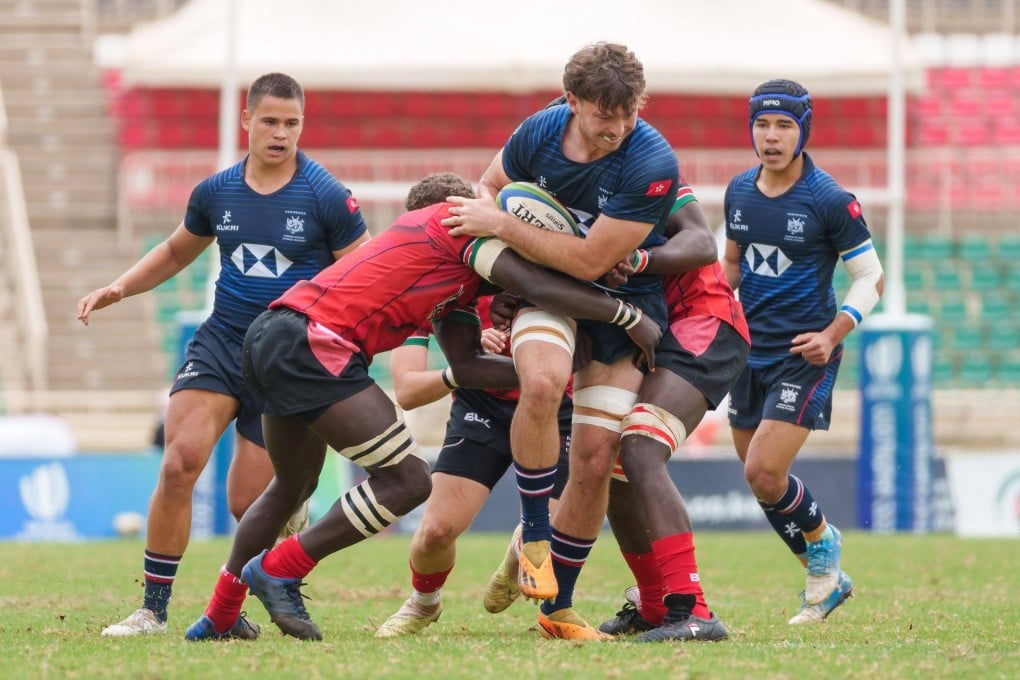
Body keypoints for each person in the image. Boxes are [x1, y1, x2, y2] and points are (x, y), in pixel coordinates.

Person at [183, 172, 661, 641]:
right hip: (315, 344)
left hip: (273, 333)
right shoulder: (458, 228)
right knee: (409, 481)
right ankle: (279, 570)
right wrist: (624, 314)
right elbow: (538, 285)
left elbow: (468, 363)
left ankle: (219, 615)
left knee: (292, 485)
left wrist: (540, 371)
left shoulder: (443, 274)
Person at [78, 72, 370, 638]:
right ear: (248, 121)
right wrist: (120, 287)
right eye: (270, 121)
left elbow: (362, 275)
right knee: (180, 461)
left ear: (301, 126)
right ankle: (152, 611)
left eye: (291, 123)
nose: (280, 133)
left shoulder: (327, 196)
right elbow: (173, 250)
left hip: (285, 356)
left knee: (247, 503)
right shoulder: (216, 192)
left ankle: (236, 604)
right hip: (222, 341)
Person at [445, 42, 679, 639]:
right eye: (605, 115)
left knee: (597, 460)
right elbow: (488, 189)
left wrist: (503, 226)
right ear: (573, 101)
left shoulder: (651, 161)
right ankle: (536, 540)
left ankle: (557, 608)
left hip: (620, 305)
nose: (618, 128)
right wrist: (496, 269)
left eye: (629, 114)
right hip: (546, 295)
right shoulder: (538, 132)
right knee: (544, 383)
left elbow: (589, 259)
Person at [721, 79, 884, 625]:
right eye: (762, 125)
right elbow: (732, 264)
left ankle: (824, 548)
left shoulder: (829, 199)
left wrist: (832, 335)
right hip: (747, 352)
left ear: (802, 131)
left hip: (805, 353)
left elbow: (870, 277)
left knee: (766, 471)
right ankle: (825, 575)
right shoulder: (739, 190)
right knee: (757, 477)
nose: (771, 137)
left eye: (784, 126)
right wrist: (718, 312)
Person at [594, 182, 750, 642]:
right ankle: (657, 603)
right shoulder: (564, 194)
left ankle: (693, 610)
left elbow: (702, 243)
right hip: (656, 332)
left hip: (704, 318)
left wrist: (641, 259)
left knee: (640, 447)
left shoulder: (645, 168)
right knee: (618, 466)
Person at [374, 295, 573, 638]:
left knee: (542, 534)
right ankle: (424, 602)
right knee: (435, 532)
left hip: (560, 406)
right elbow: (406, 390)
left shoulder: (540, 270)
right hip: (481, 405)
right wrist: (465, 361)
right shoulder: (432, 285)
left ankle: (518, 552)